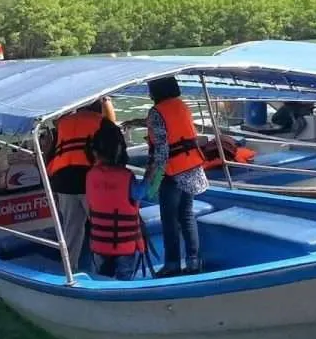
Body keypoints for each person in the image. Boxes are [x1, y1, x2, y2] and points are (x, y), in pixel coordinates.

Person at [143, 76, 208, 276]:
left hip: (172, 171)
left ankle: (172, 265)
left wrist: (152, 176)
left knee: (170, 219)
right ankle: (193, 262)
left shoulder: (156, 112)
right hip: (191, 166)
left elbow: (162, 150)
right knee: (187, 215)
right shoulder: (182, 106)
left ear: (156, 91)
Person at [47, 100, 105, 270]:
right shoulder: (102, 122)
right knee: (101, 227)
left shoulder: (64, 123)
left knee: (71, 229)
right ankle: (104, 268)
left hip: (64, 181)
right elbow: (113, 153)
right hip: (90, 182)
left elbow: (52, 154)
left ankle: (69, 268)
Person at [86, 120, 145, 280]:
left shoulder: (91, 175)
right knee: (124, 278)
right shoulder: (127, 177)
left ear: (95, 152)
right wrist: (154, 171)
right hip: (125, 245)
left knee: (101, 276)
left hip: (100, 244)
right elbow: (142, 194)